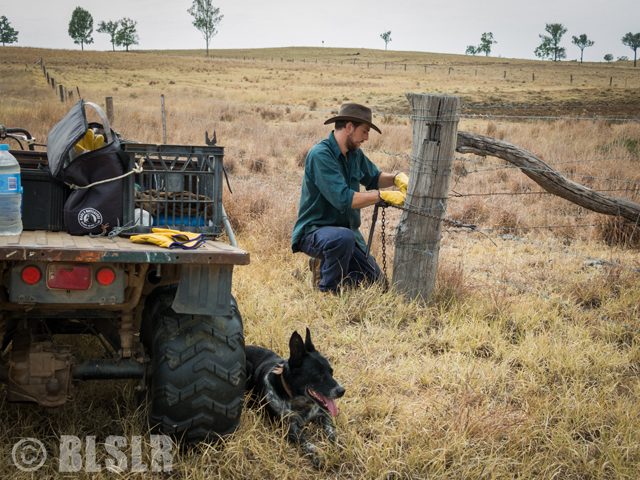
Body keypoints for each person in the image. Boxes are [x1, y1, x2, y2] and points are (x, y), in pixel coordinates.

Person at [291, 103, 408, 293]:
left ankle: (326, 268)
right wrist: (381, 196)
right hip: (315, 232)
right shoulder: (320, 155)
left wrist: (396, 178)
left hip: (346, 235)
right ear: (349, 127)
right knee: (343, 238)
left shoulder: (354, 154)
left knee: (377, 283)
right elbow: (344, 199)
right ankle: (328, 291)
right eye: (364, 131)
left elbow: (374, 177)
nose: (367, 137)